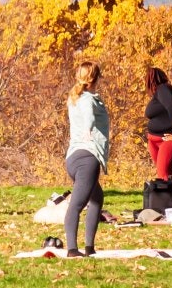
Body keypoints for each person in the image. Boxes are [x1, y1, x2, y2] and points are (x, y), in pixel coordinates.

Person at [63, 60, 110, 257]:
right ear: (95, 78)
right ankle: (73, 250)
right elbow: (89, 115)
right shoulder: (88, 99)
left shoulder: (74, 97)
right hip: (87, 159)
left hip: (73, 158)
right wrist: (89, 129)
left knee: (97, 198)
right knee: (77, 204)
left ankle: (89, 247)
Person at [144, 67, 172, 182]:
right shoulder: (158, 94)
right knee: (166, 173)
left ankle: (163, 199)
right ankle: (168, 199)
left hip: (167, 139)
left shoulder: (163, 89)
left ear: (151, 80)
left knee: (163, 174)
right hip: (154, 140)